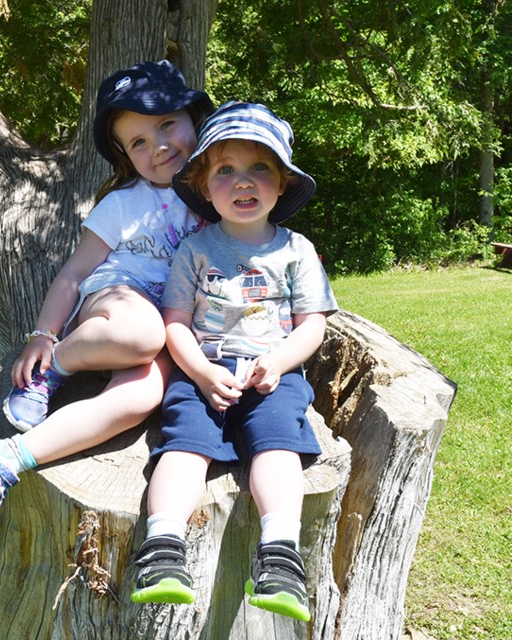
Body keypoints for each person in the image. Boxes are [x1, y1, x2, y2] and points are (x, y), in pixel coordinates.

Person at [0, 60, 215, 548]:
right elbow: (73, 273)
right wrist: (45, 337)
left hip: (171, 320)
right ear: (124, 156)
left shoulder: (220, 190)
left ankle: (4, 460)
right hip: (117, 304)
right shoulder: (122, 204)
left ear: (195, 117)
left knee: (141, 397)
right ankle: (58, 368)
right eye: (137, 141)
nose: (157, 145)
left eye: (166, 124)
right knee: (140, 334)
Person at [129, 101, 338, 622]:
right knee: (184, 444)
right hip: (206, 370)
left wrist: (281, 360)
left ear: (284, 183)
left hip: (273, 373)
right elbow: (174, 321)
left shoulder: (297, 251)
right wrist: (199, 371)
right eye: (225, 170)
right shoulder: (195, 250)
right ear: (203, 186)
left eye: (259, 168)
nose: (242, 182)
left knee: (277, 442)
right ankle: (163, 549)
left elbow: (313, 322)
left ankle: (281, 554)